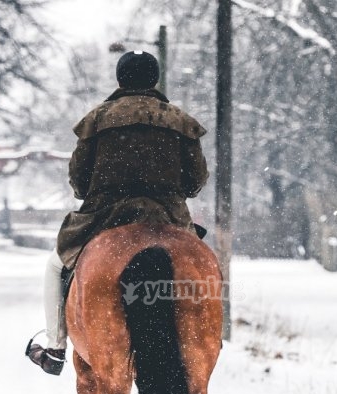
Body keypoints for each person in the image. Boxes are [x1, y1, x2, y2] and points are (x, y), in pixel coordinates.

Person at [26, 50, 209, 375]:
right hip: (167, 216)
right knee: (203, 266)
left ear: (120, 79)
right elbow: (195, 183)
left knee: (56, 265)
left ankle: (55, 348)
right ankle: (208, 338)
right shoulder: (181, 122)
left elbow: (80, 184)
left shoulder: (96, 121)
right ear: (154, 79)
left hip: (106, 215)